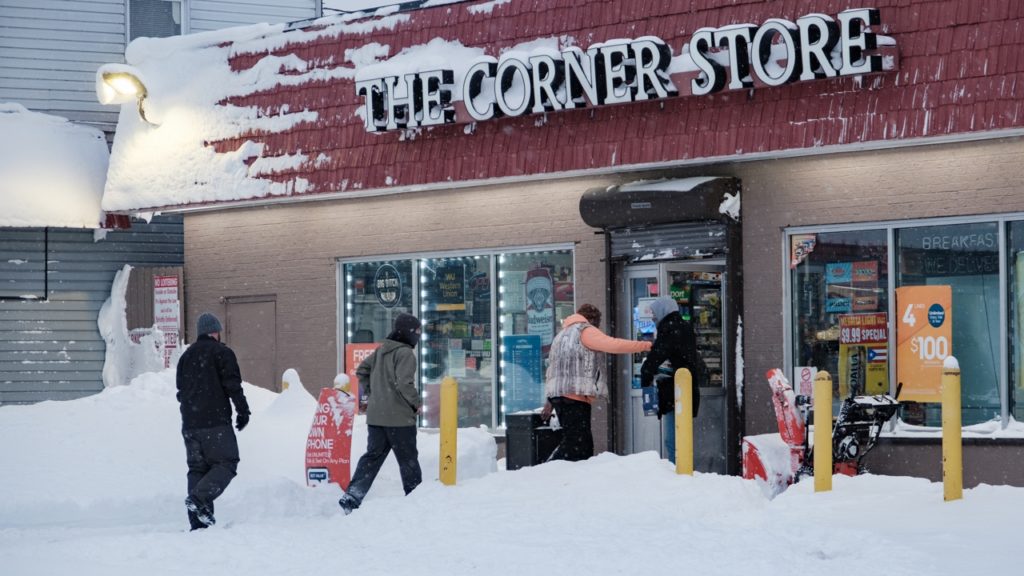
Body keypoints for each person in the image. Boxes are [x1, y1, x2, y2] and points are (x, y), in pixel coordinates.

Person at [542, 303, 651, 461]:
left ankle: (566, 474)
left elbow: (553, 370)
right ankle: (549, 471)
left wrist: (549, 401)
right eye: (598, 323)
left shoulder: (562, 335)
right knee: (578, 444)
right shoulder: (585, 330)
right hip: (574, 396)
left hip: (559, 396)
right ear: (593, 320)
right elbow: (613, 344)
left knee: (577, 441)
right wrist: (646, 346)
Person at [339, 313, 423, 514]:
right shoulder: (405, 354)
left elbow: (361, 371)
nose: (418, 336)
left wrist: (372, 393)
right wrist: (416, 403)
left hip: (377, 418)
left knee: (372, 457)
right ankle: (418, 499)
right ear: (408, 332)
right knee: (408, 460)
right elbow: (404, 383)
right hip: (400, 419)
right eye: (417, 331)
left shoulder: (381, 350)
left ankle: (352, 496)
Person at [176, 312, 250, 530]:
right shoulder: (222, 353)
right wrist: (243, 411)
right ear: (215, 331)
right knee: (227, 462)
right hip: (215, 422)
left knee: (198, 468)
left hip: (190, 424)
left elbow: (180, 391)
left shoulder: (185, 357)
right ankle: (199, 500)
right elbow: (232, 385)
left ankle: (198, 522)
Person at [640, 296, 707, 464]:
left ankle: (676, 475)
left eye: (655, 314)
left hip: (676, 391)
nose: (654, 318)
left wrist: (646, 372)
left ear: (663, 312)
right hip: (683, 389)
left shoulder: (670, 329)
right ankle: (678, 471)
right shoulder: (683, 327)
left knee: (673, 440)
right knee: (679, 437)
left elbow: (658, 354)